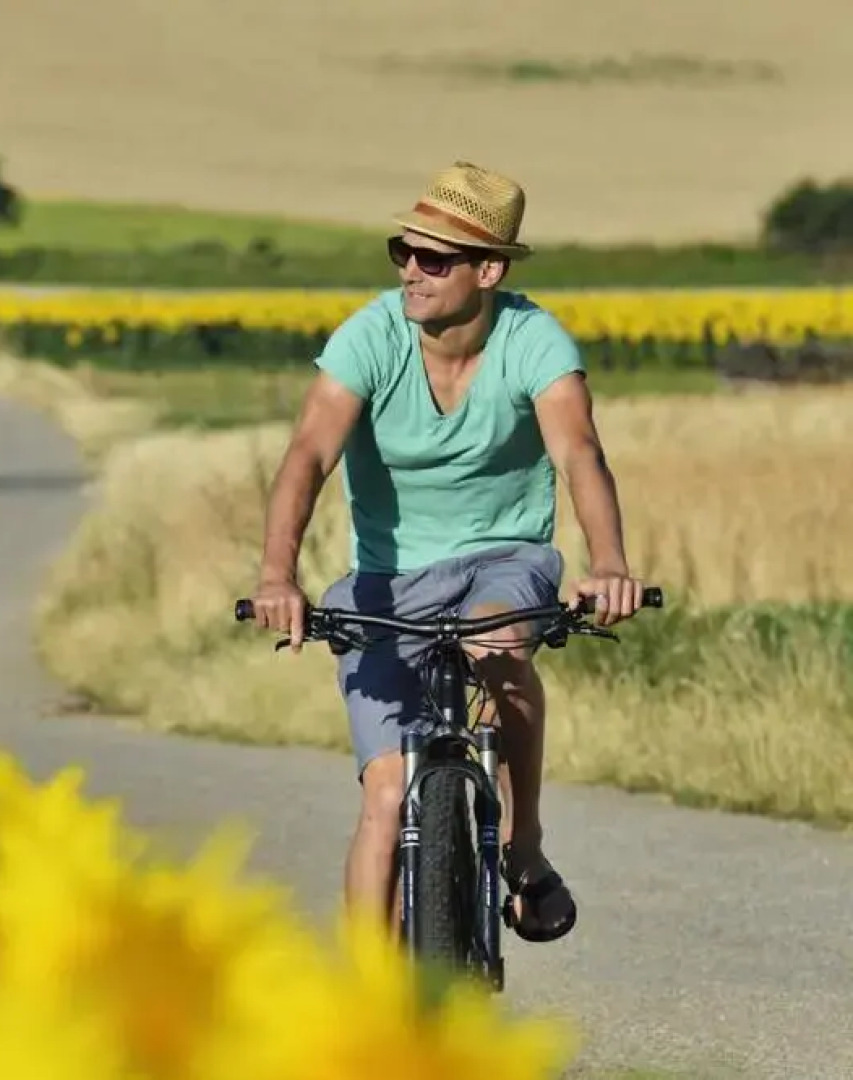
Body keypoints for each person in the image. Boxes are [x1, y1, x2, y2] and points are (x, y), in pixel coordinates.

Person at [247, 161, 646, 944]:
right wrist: (275, 575)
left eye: (435, 259)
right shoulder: (369, 335)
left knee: (500, 643)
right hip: (386, 583)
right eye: (403, 251)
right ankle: (366, 1005)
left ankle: (520, 844)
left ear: (487, 269)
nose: (411, 272)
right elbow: (305, 456)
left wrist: (609, 565)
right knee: (387, 791)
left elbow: (579, 454)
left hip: (504, 561)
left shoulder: (532, 339)